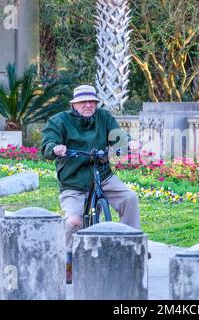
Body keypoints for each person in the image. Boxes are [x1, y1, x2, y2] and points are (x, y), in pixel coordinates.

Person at [41, 84, 142, 284]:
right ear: (74, 104)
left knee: (129, 198)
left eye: (92, 101)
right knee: (74, 222)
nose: (88, 105)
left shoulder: (103, 117)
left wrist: (129, 143)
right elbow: (47, 145)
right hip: (74, 182)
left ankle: (133, 245)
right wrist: (56, 148)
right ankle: (67, 259)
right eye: (83, 102)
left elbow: (117, 135)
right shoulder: (59, 121)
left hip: (102, 175)